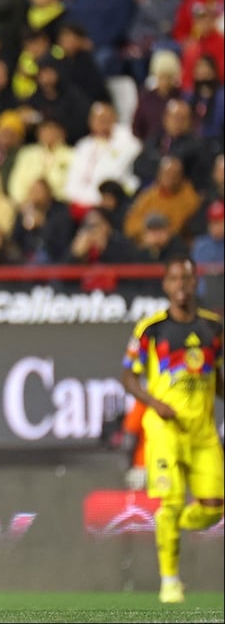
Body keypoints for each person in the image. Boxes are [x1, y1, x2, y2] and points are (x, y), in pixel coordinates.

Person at [121, 254, 224, 605]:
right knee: (171, 499)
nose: (182, 286)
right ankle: (170, 582)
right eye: (175, 279)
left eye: (188, 279)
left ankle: (172, 525)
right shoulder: (151, 329)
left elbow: (218, 379)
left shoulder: (214, 328)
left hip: (203, 431)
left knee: (214, 509)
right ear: (166, 286)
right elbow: (128, 376)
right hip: (165, 428)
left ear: (196, 283)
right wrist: (154, 403)